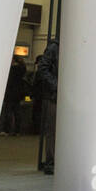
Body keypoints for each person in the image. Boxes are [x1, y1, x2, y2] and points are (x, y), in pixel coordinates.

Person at [36, 40, 59, 173]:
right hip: (54, 96)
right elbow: (43, 68)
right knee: (52, 130)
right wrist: (57, 86)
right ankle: (51, 162)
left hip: (55, 94)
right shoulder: (55, 47)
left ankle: (53, 161)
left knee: (53, 130)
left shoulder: (56, 47)